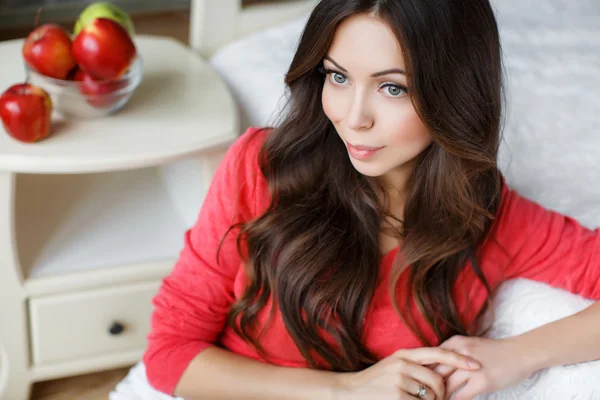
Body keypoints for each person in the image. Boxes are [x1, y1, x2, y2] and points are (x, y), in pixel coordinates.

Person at [142, 1, 600, 399]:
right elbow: (169, 356)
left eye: (392, 87)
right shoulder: (262, 168)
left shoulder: (487, 214)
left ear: (456, 94)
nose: (352, 117)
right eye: (338, 76)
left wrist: (513, 357)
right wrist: (346, 390)